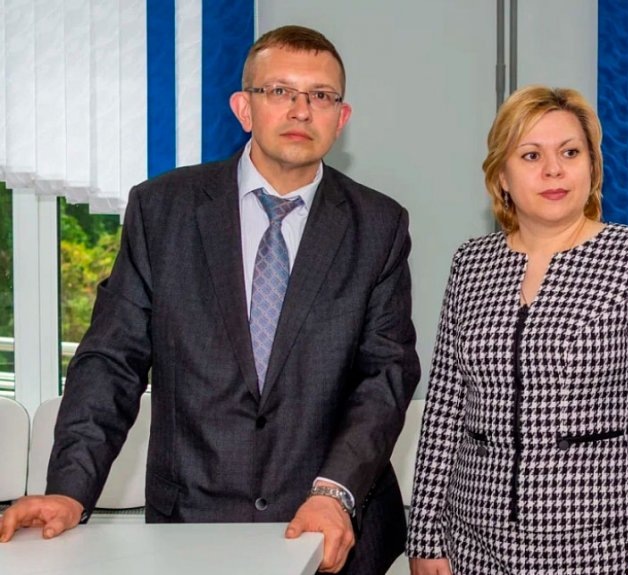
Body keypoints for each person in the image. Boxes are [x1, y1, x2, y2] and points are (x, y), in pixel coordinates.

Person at [0, 25, 420, 575]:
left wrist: (334, 491)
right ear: (244, 108)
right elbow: (111, 362)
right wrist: (69, 489)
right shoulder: (162, 209)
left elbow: (385, 376)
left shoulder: (379, 224)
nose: (301, 110)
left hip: (332, 528)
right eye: (280, 91)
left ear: (341, 118)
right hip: (192, 529)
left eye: (320, 95)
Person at [405, 85, 628, 575]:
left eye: (570, 152)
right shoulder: (471, 263)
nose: (554, 170)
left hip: (601, 548)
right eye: (531, 155)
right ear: (502, 176)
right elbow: (444, 410)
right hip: (472, 544)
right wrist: (425, 536)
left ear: (592, 167)